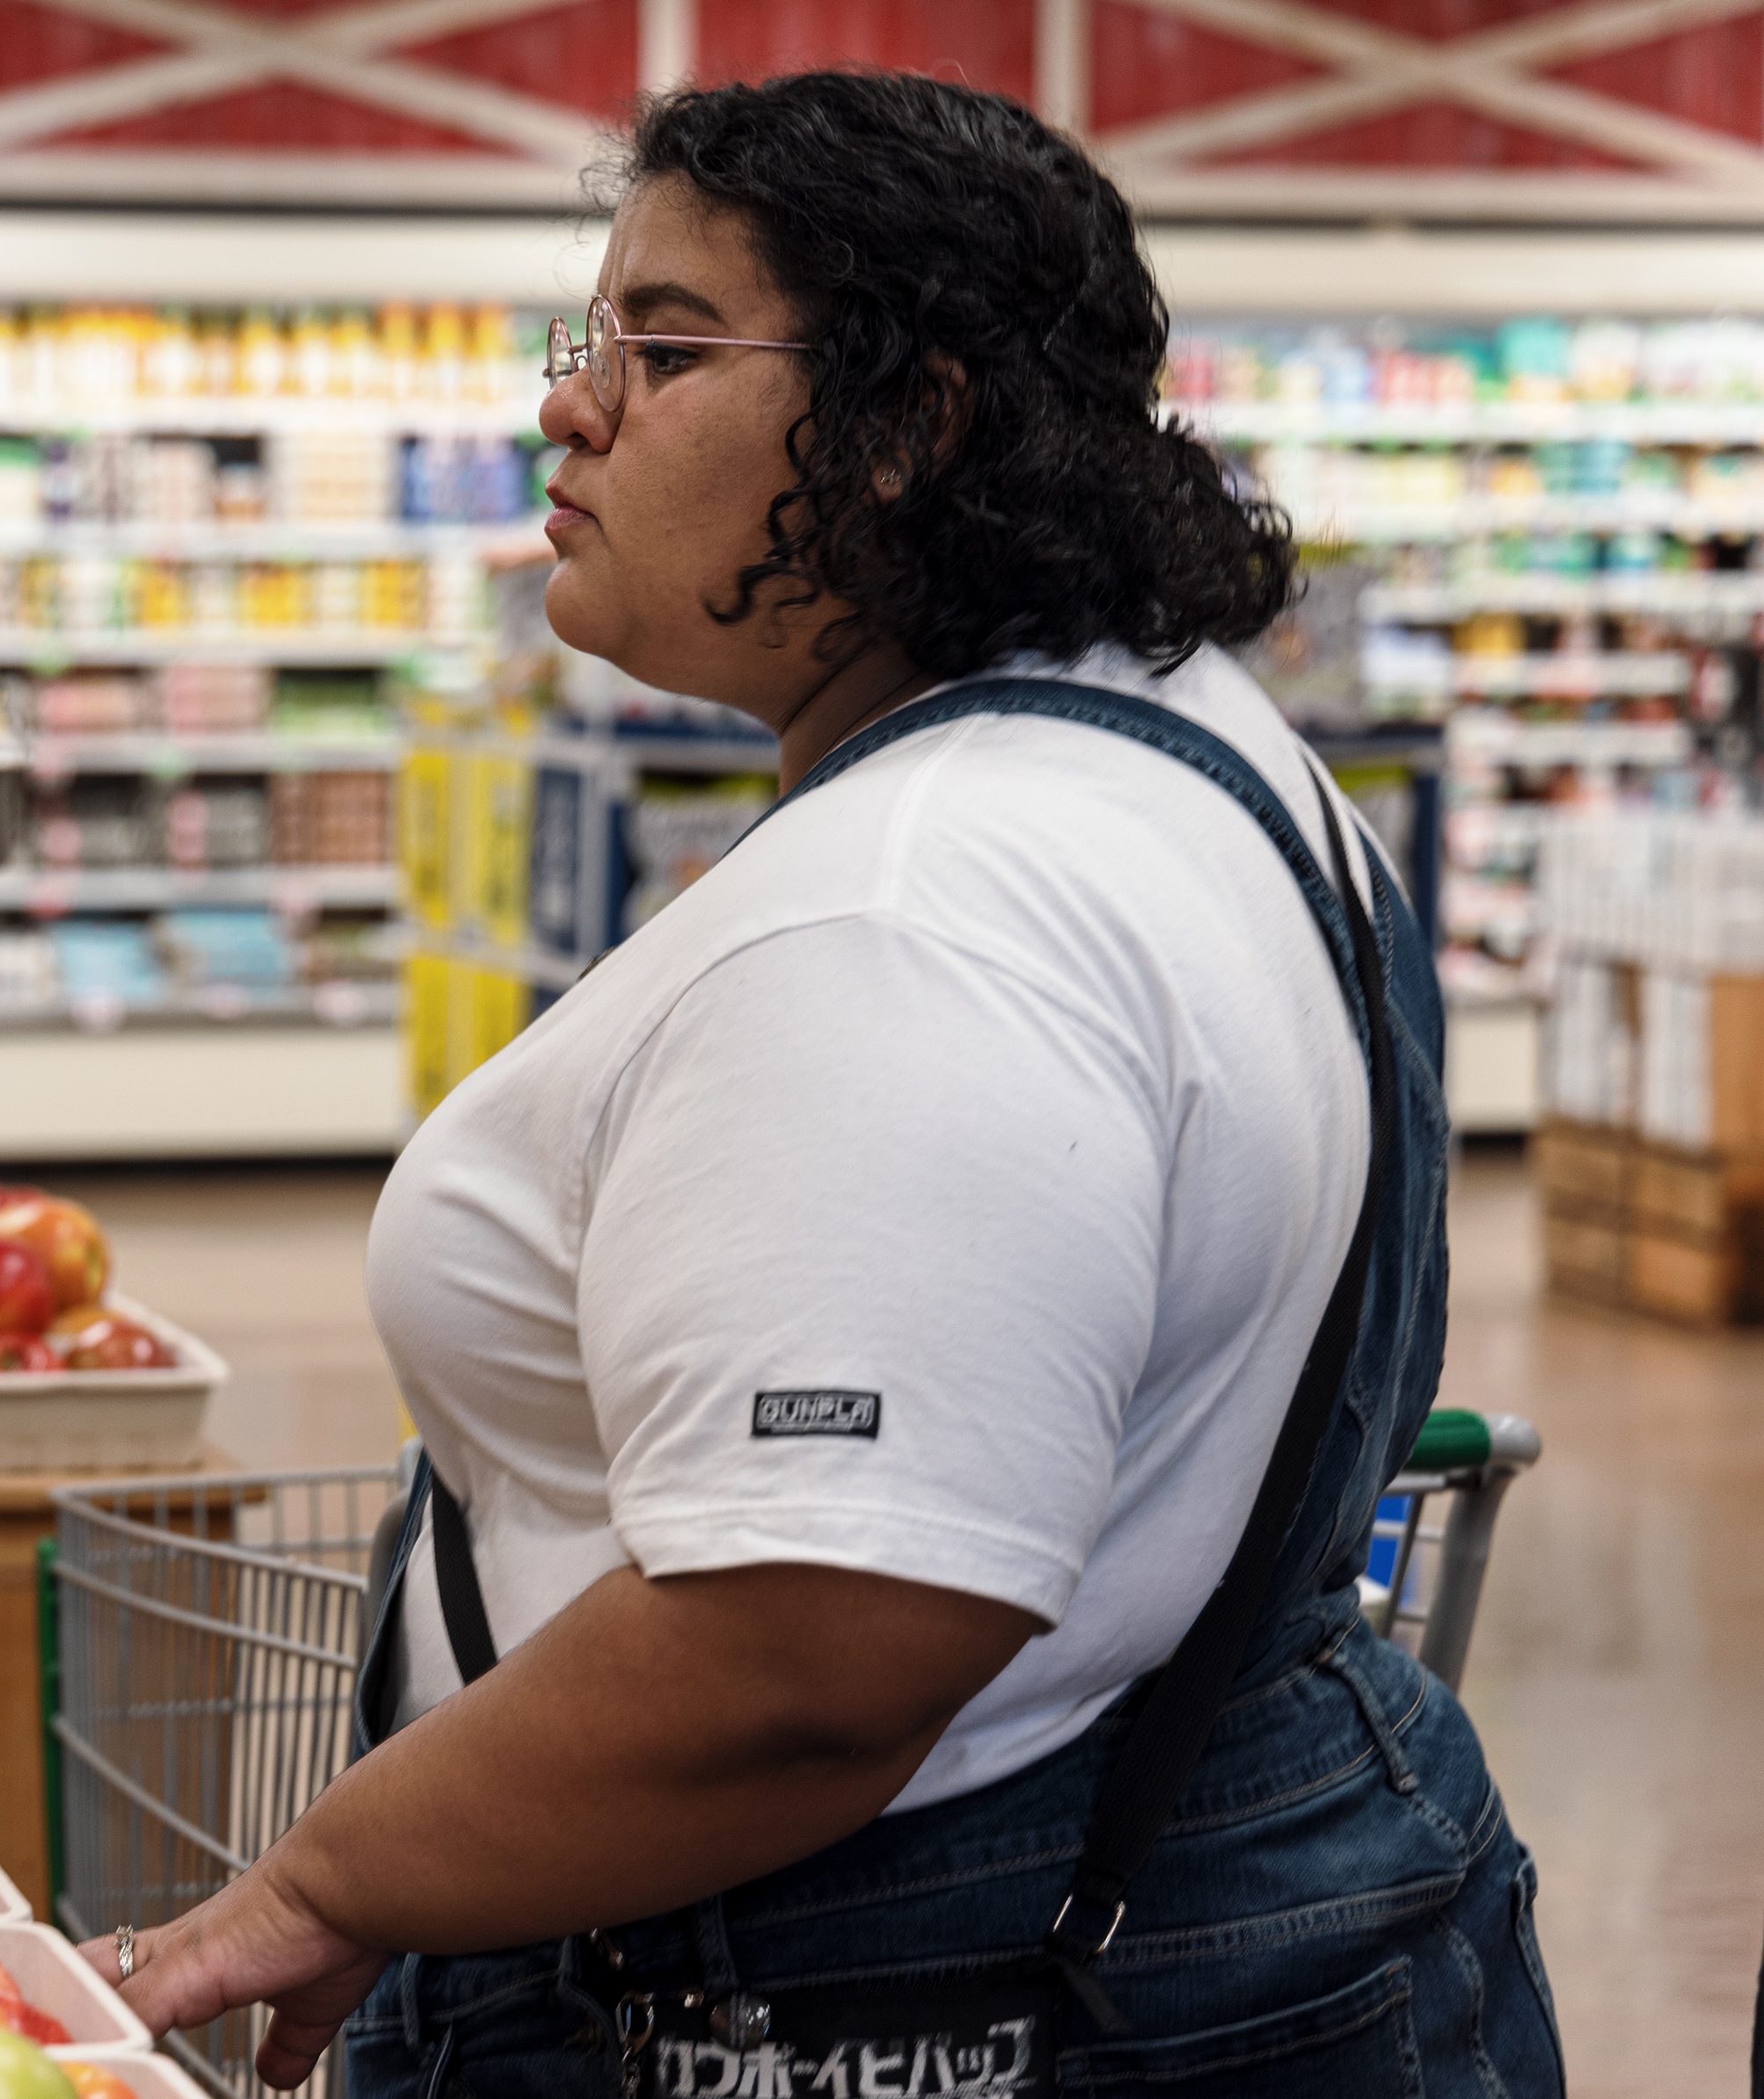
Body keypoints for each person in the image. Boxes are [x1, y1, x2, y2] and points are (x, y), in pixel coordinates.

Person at [80, 71, 1562, 2097]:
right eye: (587, 341)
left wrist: (326, 1882)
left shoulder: (912, 912)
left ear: (908, 422)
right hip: (1216, 1877)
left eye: (668, 347)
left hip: (856, 1995)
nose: (571, 409)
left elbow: (802, 1660)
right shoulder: (1219, 757)